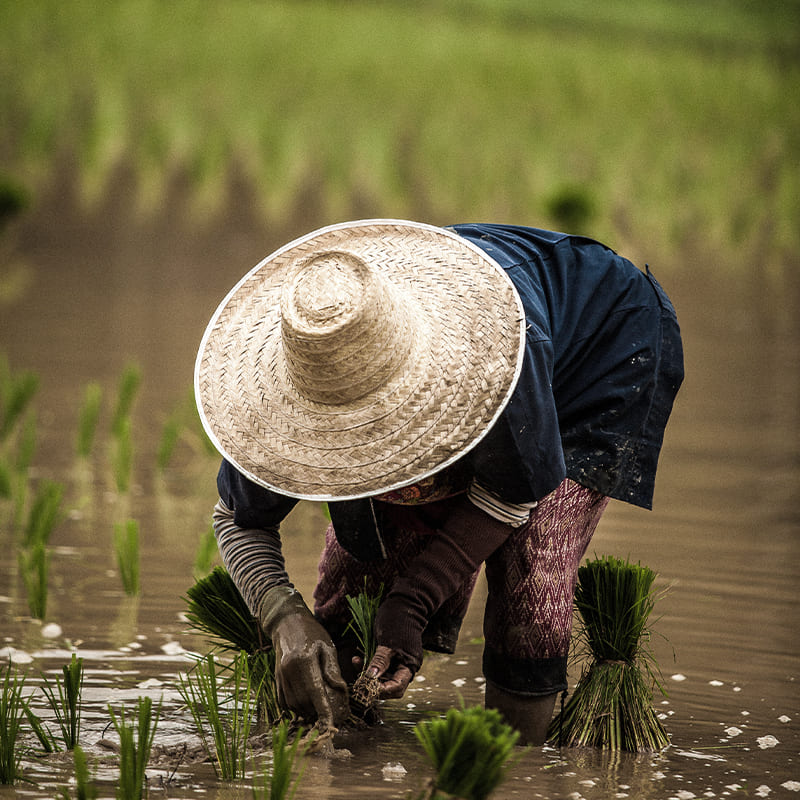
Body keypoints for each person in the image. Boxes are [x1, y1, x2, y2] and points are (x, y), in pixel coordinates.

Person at [194, 219, 683, 744]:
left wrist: (415, 601)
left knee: (532, 571)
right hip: (444, 342)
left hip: (599, 347)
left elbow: (515, 491)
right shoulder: (288, 387)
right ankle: (345, 736)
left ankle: (515, 765)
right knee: (360, 573)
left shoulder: (494, 362)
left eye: (377, 427)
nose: (363, 444)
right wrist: (283, 618)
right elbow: (238, 519)